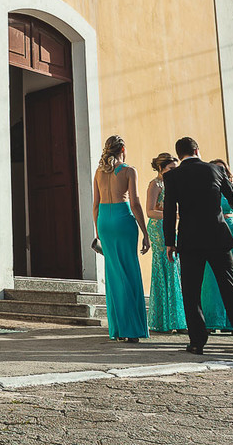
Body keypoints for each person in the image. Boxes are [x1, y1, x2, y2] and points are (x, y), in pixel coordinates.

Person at [162, 137, 233, 354]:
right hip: (217, 236)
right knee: (230, 287)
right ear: (197, 150)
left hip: (189, 240)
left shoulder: (172, 176)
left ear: (179, 155)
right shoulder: (215, 170)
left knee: (191, 291)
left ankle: (197, 341)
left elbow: (169, 211)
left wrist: (170, 242)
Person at [92, 135, 150, 342]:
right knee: (130, 272)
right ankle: (131, 330)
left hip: (104, 222)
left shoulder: (99, 172)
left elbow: (96, 204)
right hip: (122, 218)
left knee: (114, 274)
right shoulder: (128, 171)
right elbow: (134, 202)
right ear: (123, 148)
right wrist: (145, 232)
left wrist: (99, 232)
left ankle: (117, 329)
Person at [198, 159, 233, 334]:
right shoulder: (207, 186)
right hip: (211, 230)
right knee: (211, 278)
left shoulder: (232, 188)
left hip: (232, 229)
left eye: (222, 169)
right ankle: (212, 320)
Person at [146, 153, 185, 333]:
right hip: (158, 228)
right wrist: (173, 215)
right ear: (161, 169)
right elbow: (150, 211)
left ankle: (177, 319)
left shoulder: (174, 183)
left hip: (171, 226)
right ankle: (165, 321)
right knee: (165, 267)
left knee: (174, 268)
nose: (174, 172)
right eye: (171, 169)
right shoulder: (155, 184)